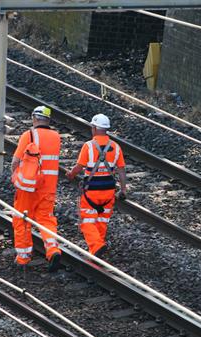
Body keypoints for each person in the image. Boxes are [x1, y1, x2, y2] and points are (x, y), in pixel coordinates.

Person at [66, 113, 127, 258]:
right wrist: (123, 190)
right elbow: (121, 170)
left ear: (94, 128)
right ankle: (96, 252)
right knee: (102, 221)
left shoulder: (89, 146)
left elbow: (79, 167)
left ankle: (97, 246)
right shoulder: (116, 147)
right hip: (109, 192)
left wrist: (71, 175)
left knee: (87, 221)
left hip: (91, 192)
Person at [11, 105, 62, 272]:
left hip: (29, 187)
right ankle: (53, 250)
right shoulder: (56, 137)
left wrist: (16, 177)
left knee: (22, 219)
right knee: (46, 219)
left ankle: (23, 258)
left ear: (34, 117)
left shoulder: (29, 134)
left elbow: (16, 161)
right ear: (48, 120)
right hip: (48, 187)